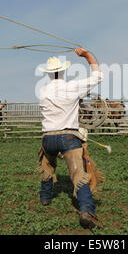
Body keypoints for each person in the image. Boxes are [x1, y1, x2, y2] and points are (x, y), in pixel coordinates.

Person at [36, 47, 104, 229]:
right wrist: (88, 55)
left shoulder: (42, 91)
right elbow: (98, 77)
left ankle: (45, 198)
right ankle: (86, 210)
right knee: (78, 173)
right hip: (68, 137)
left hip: (48, 138)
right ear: (64, 71)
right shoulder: (72, 87)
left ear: (48, 74)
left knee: (47, 165)